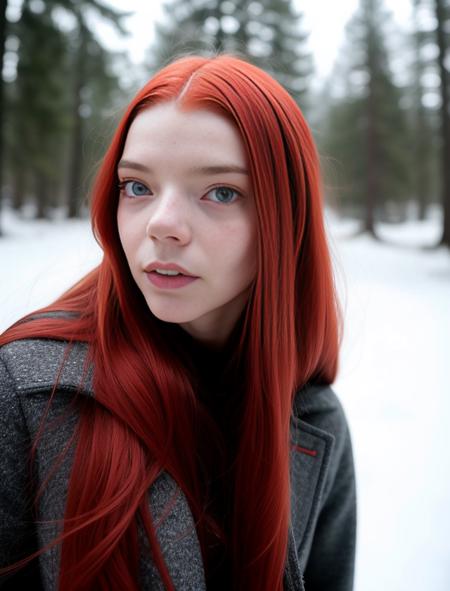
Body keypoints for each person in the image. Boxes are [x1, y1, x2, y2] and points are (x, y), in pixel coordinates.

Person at [0, 54, 356, 591]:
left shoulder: (314, 418)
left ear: (286, 220)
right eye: (137, 187)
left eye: (221, 192)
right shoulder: (27, 393)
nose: (163, 225)